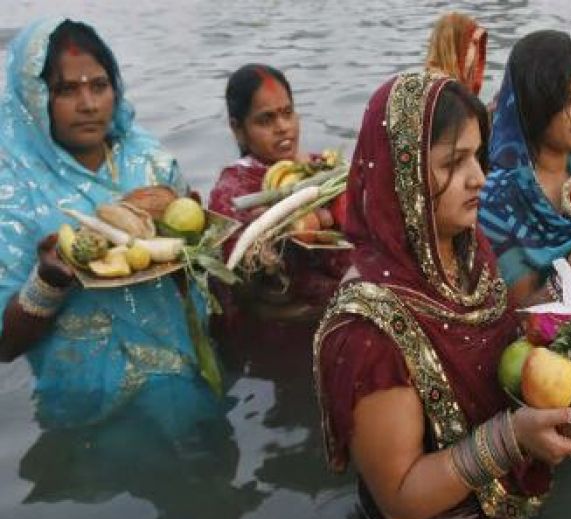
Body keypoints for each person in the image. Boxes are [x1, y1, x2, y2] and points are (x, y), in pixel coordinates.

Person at [314, 71, 571, 519]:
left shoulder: (463, 248)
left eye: (477, 157)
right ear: (402, 174)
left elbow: (500, 343)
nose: (479, 178)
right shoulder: (366, 331)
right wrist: (511, 437)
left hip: (501, 511)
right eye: (453, 163)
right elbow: (401, 501)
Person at [0, 17, 219, 428]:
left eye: (98, 85)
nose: (89, 104)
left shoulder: (151, 163)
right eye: (66, 89)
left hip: (187, 381)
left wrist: (196, 246)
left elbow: (199, 286)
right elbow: (4, 345)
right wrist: (47, 283)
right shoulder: (13, 192)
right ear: (33, 98)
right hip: (87, 409)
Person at [478, 30, 571, 307]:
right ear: (534, 104)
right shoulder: (498, 199)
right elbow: (521, 314)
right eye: (570, 100)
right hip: (540, 348)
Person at [208, 64, 350, 324]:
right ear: (238, 129)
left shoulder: (324, 170)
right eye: (266, 119)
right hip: (278, 335)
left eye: (287, 113)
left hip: (340, 315)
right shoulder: (231, 193)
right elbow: (246, 293)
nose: (283, 127)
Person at [424, 12, 487, 98]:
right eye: (474, 44)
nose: (477, 54)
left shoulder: (421, 85)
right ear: (457, 47)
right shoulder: (450, 93)